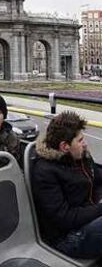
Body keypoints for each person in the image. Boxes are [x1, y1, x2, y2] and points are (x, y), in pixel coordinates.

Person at [32, 111, 102, 259]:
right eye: (80, 140)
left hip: (89, 218)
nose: (85, 144)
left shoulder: (81, 156)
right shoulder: (44, 172)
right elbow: (65, 218)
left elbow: (98, 177)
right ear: (65, 146)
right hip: (67, 238)